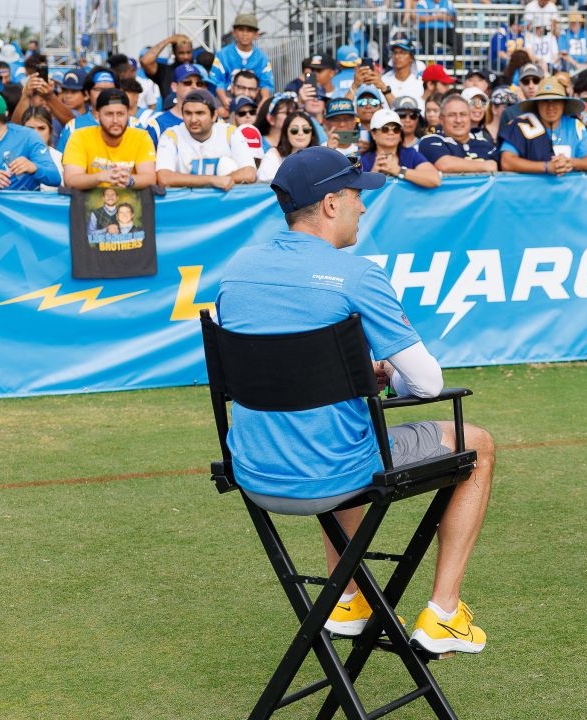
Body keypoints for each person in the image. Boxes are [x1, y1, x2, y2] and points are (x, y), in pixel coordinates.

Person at [216, 145, 494, 653]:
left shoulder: (237, 267)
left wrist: (354, 376)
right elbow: (428, 384)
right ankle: (444, 615)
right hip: (330, 473)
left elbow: (271, 360)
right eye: (354, 195)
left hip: (252, 470)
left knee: (345, 422)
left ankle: (347, 599)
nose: (362, 207)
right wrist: (382, 376)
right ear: (329, 204)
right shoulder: (357, 275)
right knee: (477, 444)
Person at [155, 88, 256, 190]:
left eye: (200, 113)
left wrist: (222, 179)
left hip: (222, 203)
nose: (193, 119)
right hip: (186, 203)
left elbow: (250, 173)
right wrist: (212, 180)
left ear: (214, 115)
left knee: (227, 164)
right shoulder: (171, 135)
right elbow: (164, 177)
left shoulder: (230, 132)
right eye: (188, 113)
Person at [499, 76, 587, 175]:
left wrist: (571, 162)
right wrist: (546, 167)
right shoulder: (521, 124)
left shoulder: (575, 126)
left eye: (556, 101)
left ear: (564, 104)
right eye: (545, 101)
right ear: (537, 104)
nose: (550, 107)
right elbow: (506, 162)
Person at [62, 89, 157, 190]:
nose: (115, 120)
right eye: (109, 114)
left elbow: (150, 178)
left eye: (120, 114)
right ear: (98, 116)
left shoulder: (141, 137)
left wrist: (129, 180)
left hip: (130, 203)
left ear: (128, 115)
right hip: (88, 202)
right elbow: (71, 180)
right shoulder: (79, 136)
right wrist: (100, 177)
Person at [361, 108, 441, 188]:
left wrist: (398, 170)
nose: (391, 132)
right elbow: (353, 195)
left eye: (396, 129)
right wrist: (373, 174)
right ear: (373, 134)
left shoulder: (410, 154)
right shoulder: (363, 160)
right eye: (385, 129)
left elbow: (435, 179)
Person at [419, 95, 498, 174]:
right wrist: (485, 165)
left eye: (463, 114)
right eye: (452, 115)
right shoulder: (429, 141)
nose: (458, 120)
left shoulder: (485, 144)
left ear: (470, 117)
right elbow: (444, 165)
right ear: (441, 119)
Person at [211, 13, 274, 108]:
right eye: (241, 30)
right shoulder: (223, 55)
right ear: (234, 32)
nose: (245, 34)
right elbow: (216, 80)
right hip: (227, 99)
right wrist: (223, 99)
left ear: (256, 34)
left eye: (249, 30)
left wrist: (264, 101)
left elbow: (266, 83)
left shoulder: (262, 57)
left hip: (254, 100)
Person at [257, 110, 318, 182]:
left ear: (312, 133)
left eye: (306, 129)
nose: (301, 133)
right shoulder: (273, 155)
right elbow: (265, 187)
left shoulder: (320, 157)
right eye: (294, 129)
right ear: (286, 132)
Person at [140, 33, 194, 97]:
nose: (186, 57)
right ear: (174, 52)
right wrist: (169, 40)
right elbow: (145, 61)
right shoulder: (165, 71)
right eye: (181, 53)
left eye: (188, 52)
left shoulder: (198, 70)